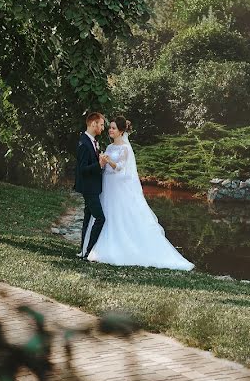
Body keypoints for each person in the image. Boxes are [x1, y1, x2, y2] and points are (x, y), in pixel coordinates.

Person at [83, 116, 194, 271]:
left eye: (114, 128)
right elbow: (105, 168)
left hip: (118, 186)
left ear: (121, 131)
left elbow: (120, 167)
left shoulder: (125, 148)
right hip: (108, 185)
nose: (110, 130)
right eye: (110, 128)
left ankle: (123, 246)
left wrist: (108, 161)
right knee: (107, 212)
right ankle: (97, 245)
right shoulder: (108, 147)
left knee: (120, 213)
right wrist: (102, 162)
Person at [74, 112, 108, 259]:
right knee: (100, 218)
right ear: (93, 124)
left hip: (93, 186)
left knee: (88, 218)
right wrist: (98, 164)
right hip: (88, 188)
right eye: (101, 125)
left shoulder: (93, 141)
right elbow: (82, 170)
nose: (102, 128)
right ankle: (89, 251)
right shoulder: (83, 143)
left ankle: (83, 250)